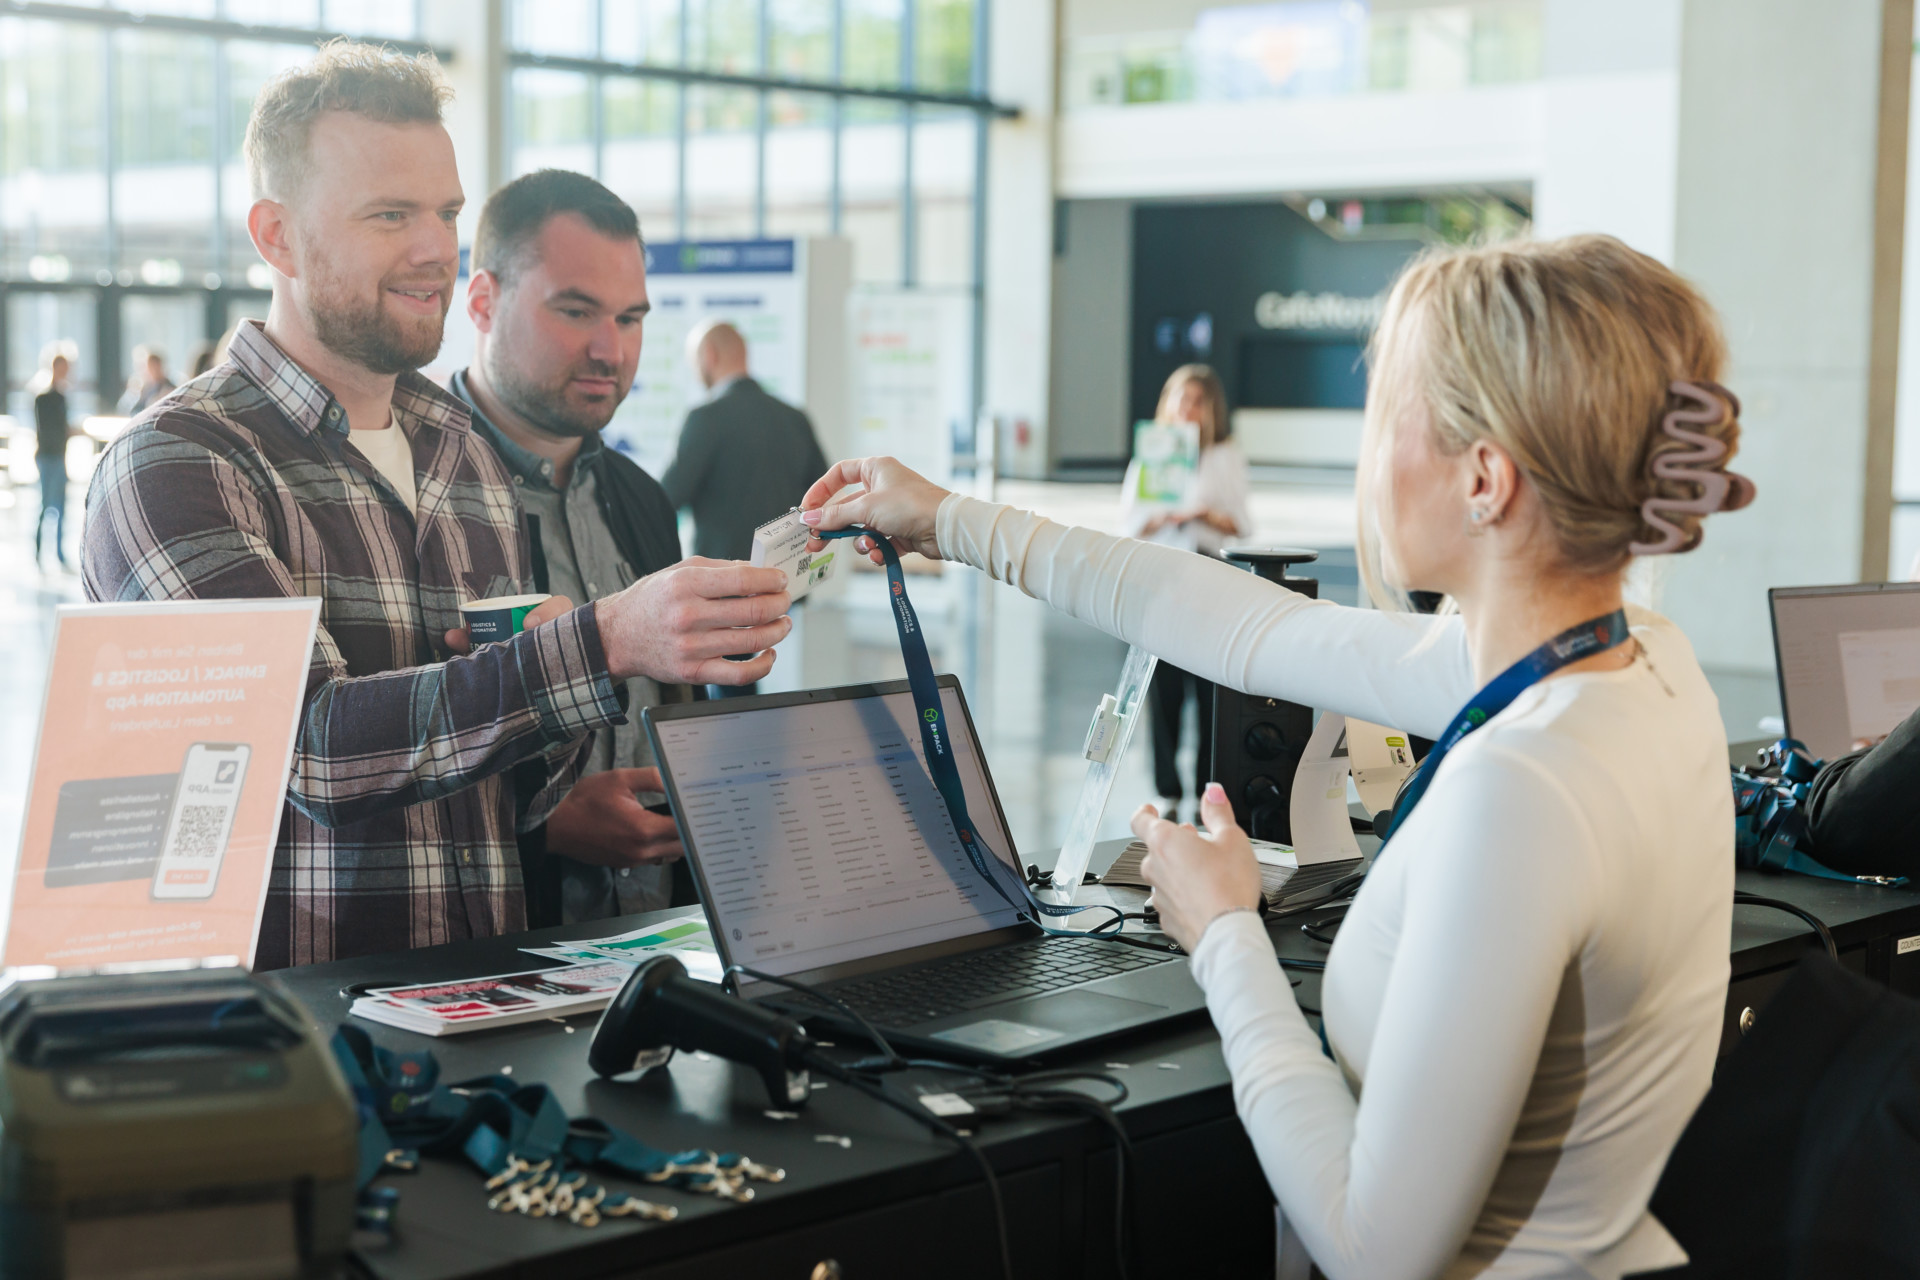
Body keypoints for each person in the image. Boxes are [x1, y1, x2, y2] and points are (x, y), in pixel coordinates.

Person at [802, 234, 1750, 1278]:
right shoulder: (1642, 663)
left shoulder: (1519, 790)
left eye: (1392, 413)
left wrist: (1223, 931)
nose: (1373, 456)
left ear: (1485, 478)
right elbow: (1238, 622)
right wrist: (948, 519)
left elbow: (1375, 1247)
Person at [83, 42, 791, 970]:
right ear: (277, 237)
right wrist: (596, 642)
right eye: (390, 214)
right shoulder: (179, 460)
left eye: (446, 213)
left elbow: (502, 792)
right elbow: (304, 754)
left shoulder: (462, 454)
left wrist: (549, 673)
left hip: (484, 1011)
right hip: (300, 1034)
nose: (433, 250)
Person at [453, 168, 692, 925]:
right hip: (494, 948)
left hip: (658, 935)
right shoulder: (414, 497)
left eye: (630, 318)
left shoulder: (641, 499)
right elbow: (360, 756)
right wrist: (541, 828)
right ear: (483, 302)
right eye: (576, 311)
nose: (609, 350)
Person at [1120, 364, 1251, 818]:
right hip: (1162, 575)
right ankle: (1167, 787)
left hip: (1209, 572)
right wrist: (1163, 516)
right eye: (1182, 398)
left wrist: (1203, 514)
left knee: (1210, 685)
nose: (1189, 409)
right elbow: (1129, 523)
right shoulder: (1153, 453)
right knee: (1162, 685)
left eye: (1198, 401)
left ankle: (1206, 787)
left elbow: (1242, 523)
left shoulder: (1224, 455)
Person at [661, 320, 828, 562]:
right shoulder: (795, 418)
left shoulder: (705, 418)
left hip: (722, 577)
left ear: (709, 355)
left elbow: (667, 499)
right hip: (784, 576)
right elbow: (823, 493)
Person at [31, 348, 76, 570]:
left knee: (61, 507)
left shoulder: (61, 397)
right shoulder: (44, 397)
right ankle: (39, 551)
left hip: (58, 456)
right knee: (46, 505)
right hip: (48, 457)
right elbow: (47, 430)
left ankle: (58, 553)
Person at [118, 346, 175, 415]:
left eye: (154, 366)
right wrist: (133, 393)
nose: (150, 371)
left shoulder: (169, 389)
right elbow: (124, 409)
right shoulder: (142, 388)